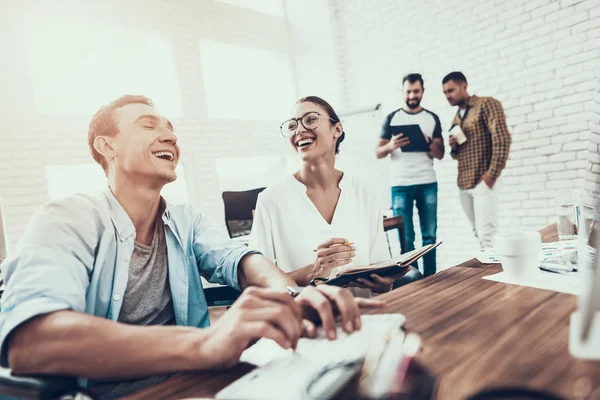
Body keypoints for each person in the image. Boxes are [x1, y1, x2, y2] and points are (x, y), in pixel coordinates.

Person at [0, 95, 384, 399]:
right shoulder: (65, 219)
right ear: (107, 146)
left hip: (199, 386)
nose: (170, 136)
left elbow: (243, 259)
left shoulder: (185, 220)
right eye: (149, 125)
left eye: (170, 129)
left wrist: (293, 296)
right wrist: (207, 343)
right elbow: (33, 342)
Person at [250, 96, 421, 297]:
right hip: (306, 324)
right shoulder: (270, 200)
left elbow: (380, 275)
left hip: (365, 319)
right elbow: (257, 283)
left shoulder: (367, 193)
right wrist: (312, 272)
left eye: (310, 119)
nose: (299, 130)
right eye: (292, 125)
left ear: (337, 130)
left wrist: (384, 283)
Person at [375, 73, 444, 277]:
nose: (412, 95)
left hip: (427, 182)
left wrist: (427, 140)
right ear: (402, 92)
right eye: (408, 91)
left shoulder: (432, 118)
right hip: (400, 184)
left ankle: (431, 278)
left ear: (422, 91)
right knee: (406, 237)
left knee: (429, 235)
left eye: (416, 91)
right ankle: (412, 279)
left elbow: (440, 153)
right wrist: (392, 145)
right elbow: (378, 152)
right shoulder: (392, 118)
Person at [442, 72, 511, 249]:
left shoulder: (487, 104)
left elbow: (502, 139)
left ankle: (496, 275)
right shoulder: (456, 117)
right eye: (445, 92)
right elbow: (457, 155)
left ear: (464, 85)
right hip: (464, 183)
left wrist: (491, 176)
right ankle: (488, 273)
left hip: (483, 180)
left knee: (487, 235)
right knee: (478, 233)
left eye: (451, 90)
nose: (448, 96)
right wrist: (454, 146)